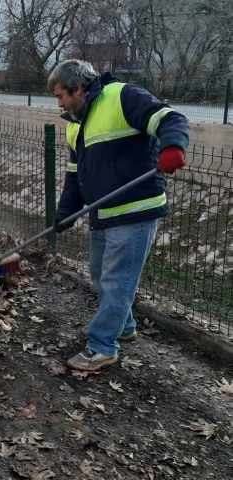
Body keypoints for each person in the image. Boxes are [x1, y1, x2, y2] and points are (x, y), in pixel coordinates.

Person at [48, 59, 189, 371]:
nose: (58, 103)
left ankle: (102, 344)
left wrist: (173, 147)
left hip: (135, 210)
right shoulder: (76, 122)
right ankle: (123, 327)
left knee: (116, 281)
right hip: (103, 212)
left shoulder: (123, 97)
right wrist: (66, 211)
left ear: (78, 89)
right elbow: (76, 173)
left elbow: (170, 119)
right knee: (100, 276)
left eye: (60, 96)